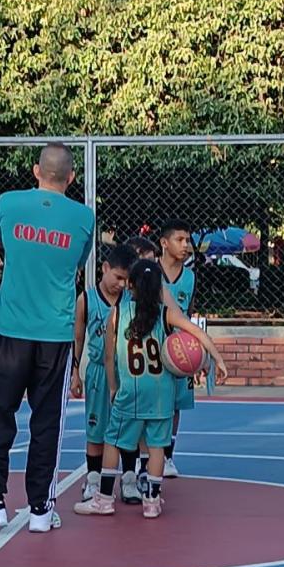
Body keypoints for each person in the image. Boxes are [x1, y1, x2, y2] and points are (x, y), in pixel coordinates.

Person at [0, 143, 95, 534]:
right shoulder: (84, 217)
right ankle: (41, 510)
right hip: (55, 335)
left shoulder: (8, 203)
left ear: (36, 171)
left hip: (10, 329)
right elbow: (76, 265)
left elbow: (2, 247)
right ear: (71, 177)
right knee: (48, 423)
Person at [73, 259, 228, 519]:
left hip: (131, 391)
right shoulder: (166, 314)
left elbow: (109, 357)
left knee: (113, 441)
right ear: (159, 288)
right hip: (161, 393)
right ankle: (152, 501)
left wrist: (113, 387)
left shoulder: (118, 313)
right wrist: (217, 359)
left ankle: (104, 500)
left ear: (130, 286)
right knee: (156, 447)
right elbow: (197, 333)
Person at [71, 242, 139, 500]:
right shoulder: (86, 299)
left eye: (126, 280)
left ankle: (129, 478)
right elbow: (78, 338)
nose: (121, 284)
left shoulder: (131, 300)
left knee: (129, 427)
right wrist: (75, 372)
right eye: (118, 277)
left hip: (126, 373)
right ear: (105, 268)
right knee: (96, 428)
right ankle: (93, 479)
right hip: (98, 373)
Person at [158, 219, 196, 478]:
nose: (185, 245)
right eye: (179, 240)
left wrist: (198, 353)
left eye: (187, 240)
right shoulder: (150, 271)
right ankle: (144, 455)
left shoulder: (190, 277)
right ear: (164, 242)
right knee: (150, 403)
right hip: (152, 348)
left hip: (179, 350)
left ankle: (168, 456)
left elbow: (189, 315)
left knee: (176, 404)